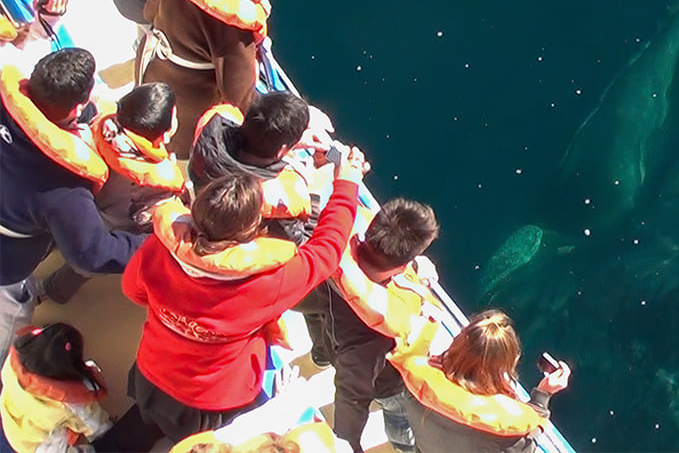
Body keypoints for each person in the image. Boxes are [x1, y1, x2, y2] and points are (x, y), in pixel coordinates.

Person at [111, 148, 368, 446]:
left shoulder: (160, 248)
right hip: (213, 401)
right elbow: (328, 248)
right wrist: (347, 183)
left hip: (151, 373)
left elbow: (133, 291)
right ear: (252, 231)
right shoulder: (270, 281)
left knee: (142, 425)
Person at [0, 49, 144, 357]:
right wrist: (145, 244)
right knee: (9, 329)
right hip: (6, 272)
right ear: (77, 108)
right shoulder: (63, 188)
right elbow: (91, 255)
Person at [305, 198, 440, 452]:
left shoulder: (328, 247)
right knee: (401, 421)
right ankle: (403, 447)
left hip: (332, 331)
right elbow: (352, 395)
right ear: (401, 267)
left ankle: (320, 356)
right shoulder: (378, 332)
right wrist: (346, 444)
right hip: (388, 385)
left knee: (322, 326)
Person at [41, 82, 186, 305]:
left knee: (63, 242)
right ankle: (53, 293)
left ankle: (45, 284)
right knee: (82, 268)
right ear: (164, 136)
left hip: (77, 204)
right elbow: (144, 217)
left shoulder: (96, 121)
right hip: (109, 227)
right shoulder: (158, 179)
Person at [139, 0, 282, 159]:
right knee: (172, 149)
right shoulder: (233, 29)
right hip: (184, 111)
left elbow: (149, 11)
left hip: (152, 73)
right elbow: (239, 97)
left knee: (145, 122)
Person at [391, 310, 571, 453]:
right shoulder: (504, 429)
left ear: (457, 344)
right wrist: (542, 396)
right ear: (507, 364)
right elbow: (528, 445)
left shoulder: (417, 382)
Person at [188, 92, 318, 241]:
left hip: (204, 213)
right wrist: (314, 195)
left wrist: (288, 145)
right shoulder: (276, 199)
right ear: (282, 150)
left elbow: (241, 131)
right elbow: (302, 243)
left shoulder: (209, 135)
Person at [0, 322, 111, 452]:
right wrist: (108, 430)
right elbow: (96, 426)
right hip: (38, 445)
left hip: (12, 423)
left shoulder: (12, 364)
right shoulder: (68, 403)